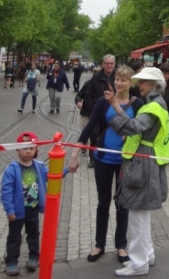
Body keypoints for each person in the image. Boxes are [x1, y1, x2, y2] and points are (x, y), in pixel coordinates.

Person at [68, 66, 143, 264]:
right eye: (117, 79)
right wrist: (74, 155)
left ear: (131, 83)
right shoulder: (103, 102)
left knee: (122, 204)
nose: (118, 83)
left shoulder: (138, 104)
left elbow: (141, 131)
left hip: (125, 161)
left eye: (123, 80)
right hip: (103, 158)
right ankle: (99, 244)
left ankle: (121, 245)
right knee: (103, 202)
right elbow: (88, 128)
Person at [107, 67, 169, 276]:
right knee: (141, 214)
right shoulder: (156, 104)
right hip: (147, 161)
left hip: (143, 163)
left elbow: (134, 127)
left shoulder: (153, 106)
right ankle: (147, 256)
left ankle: (139, 263)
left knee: (137, 215)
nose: (139, 84)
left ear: (154, 85)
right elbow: (137, 127)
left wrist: (114, 111)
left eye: (143, 81)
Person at [1, 132, 67, 276]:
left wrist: (66, 169)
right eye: (25, 148)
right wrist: (9, 210)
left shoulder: (40, 166)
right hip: (17, 211)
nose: (28, 151)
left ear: (36, 149)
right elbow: (6, 192)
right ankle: (11, 262)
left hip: (33, 209)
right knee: (14, 237)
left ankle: (33, 258)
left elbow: (52, 175)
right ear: (17, 149)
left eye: (31, 147)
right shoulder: (11, 169)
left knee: (33, 235)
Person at [80, 55, 116, 168]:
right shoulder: (96, 78)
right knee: (94, 135)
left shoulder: (118, 77)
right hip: (98, 110)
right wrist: (91, 112)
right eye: (107, 63)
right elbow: (89, 95)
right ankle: (93, 158)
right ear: (103, 64)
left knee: (110, 134)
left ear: (114, 64)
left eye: (111, 63)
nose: (109, 65)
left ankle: (109, 156)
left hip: (114, 111)